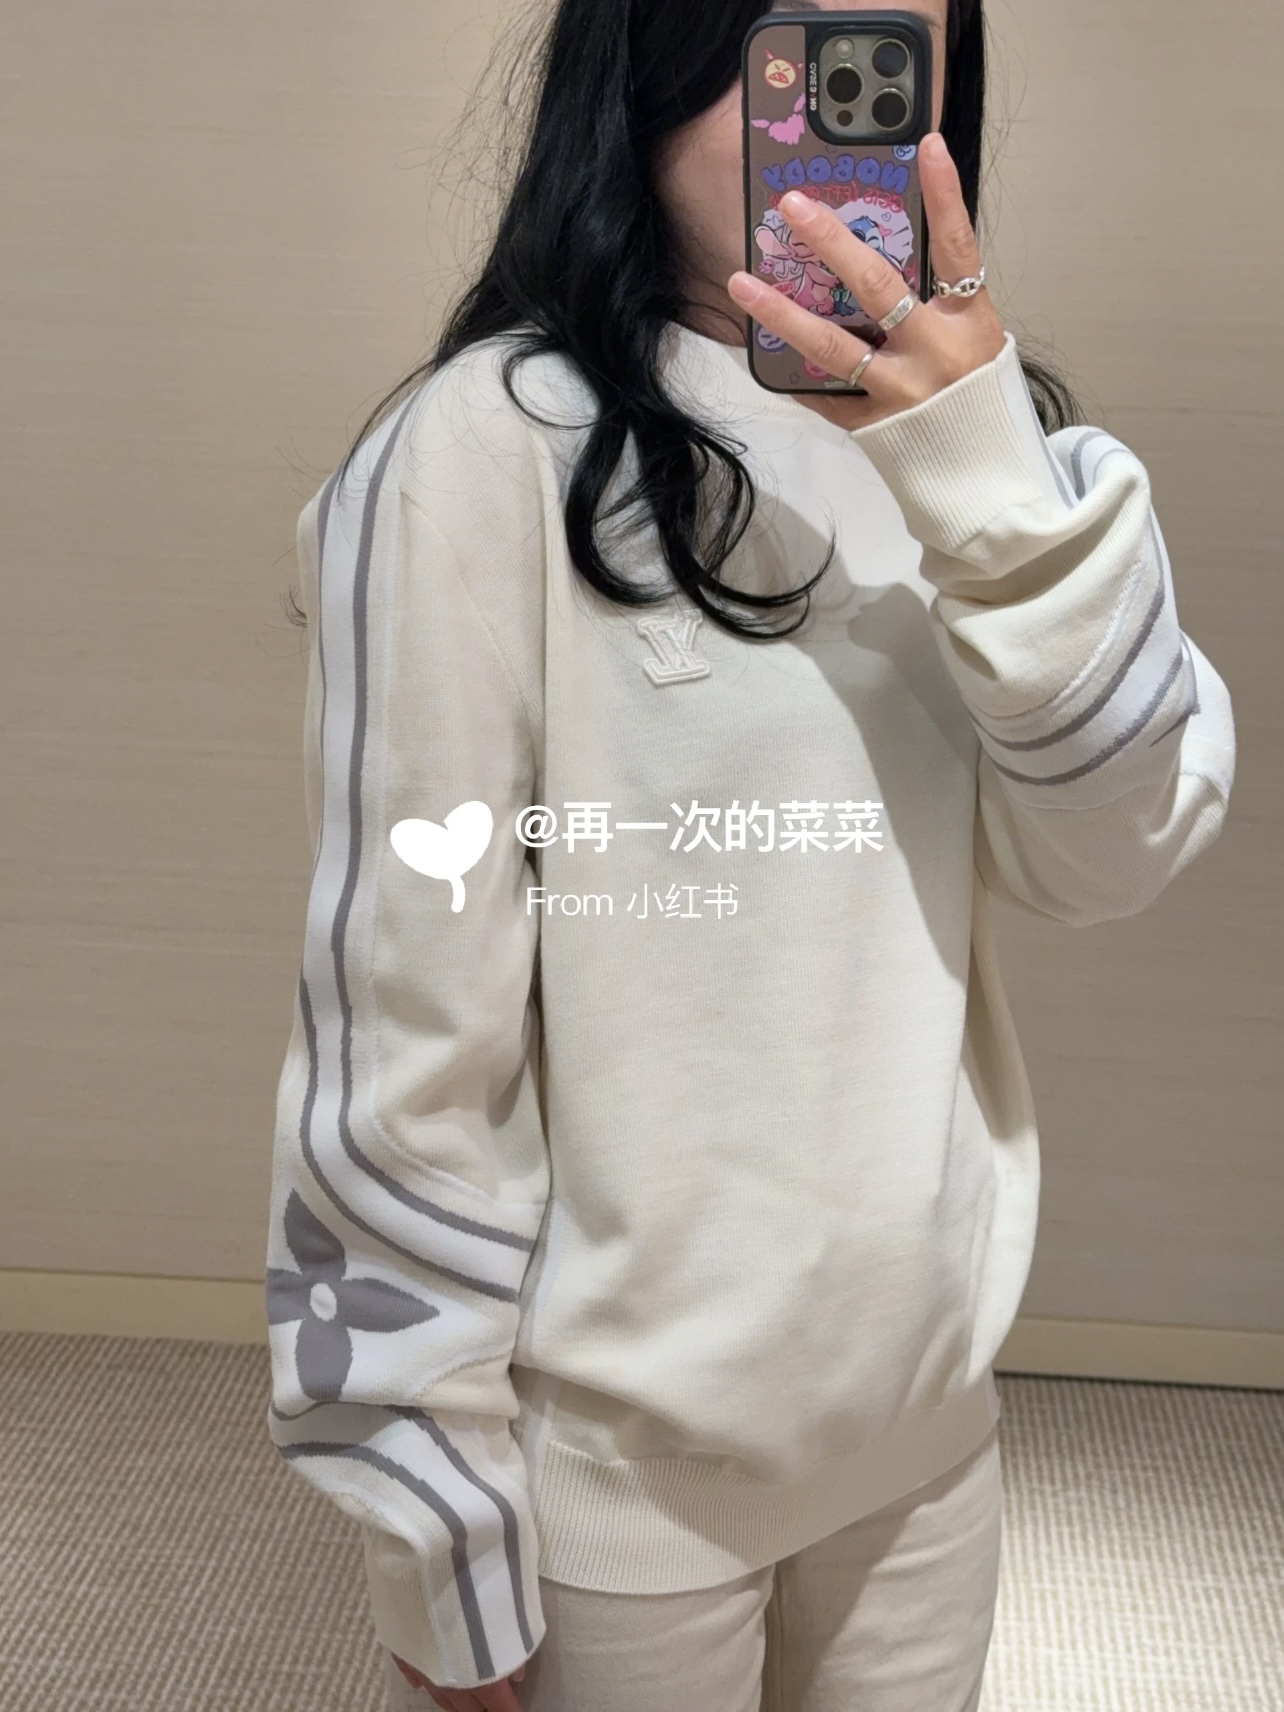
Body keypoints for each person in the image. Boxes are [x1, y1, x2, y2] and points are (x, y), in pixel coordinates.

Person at [263, 0, 1237, 1707]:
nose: (848, 107)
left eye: (897, 54)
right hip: (616, 1478)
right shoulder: (486, 447)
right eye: (798, 44)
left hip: (927, 1435)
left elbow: (1115, 853)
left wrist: (988, 485)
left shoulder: (1006, 472)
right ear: (654, 60)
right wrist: (433, 1513)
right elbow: (404, 1018)